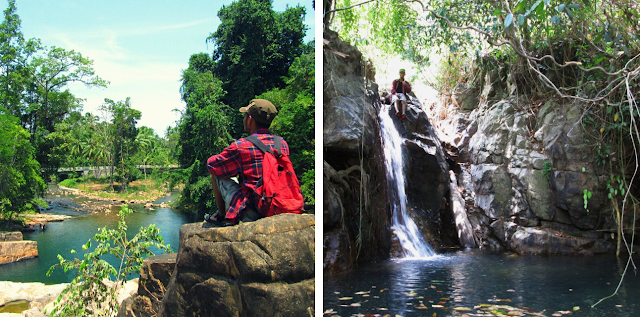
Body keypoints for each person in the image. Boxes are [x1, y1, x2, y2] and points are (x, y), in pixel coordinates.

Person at [205, 99, 290, 226]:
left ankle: (221, 216)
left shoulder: (242, 146)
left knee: (217, 174)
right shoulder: (282, 143)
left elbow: (212, 165)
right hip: (277, 205)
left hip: (252, 210)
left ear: (250, 119)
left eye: (245, 116)